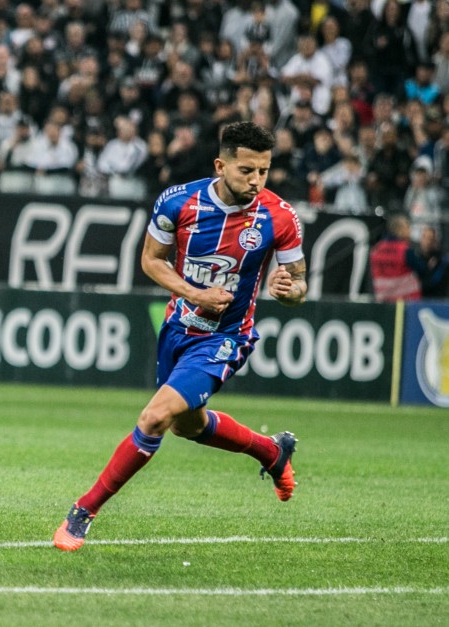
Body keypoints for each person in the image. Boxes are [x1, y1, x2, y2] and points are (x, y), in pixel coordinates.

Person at [53, 122, 307, 551]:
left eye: (264, 171)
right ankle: (270, 451)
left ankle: (83, 511)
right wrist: (193, 293)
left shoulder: (279, 216)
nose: (256, 181)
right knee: (187, 425)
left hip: (227, 337)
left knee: (154, 418)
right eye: (247, 170)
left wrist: (290, 292)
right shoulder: (178, 201)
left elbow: (299, 283)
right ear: (220, 165)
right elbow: (151, 260)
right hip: (178, 328)